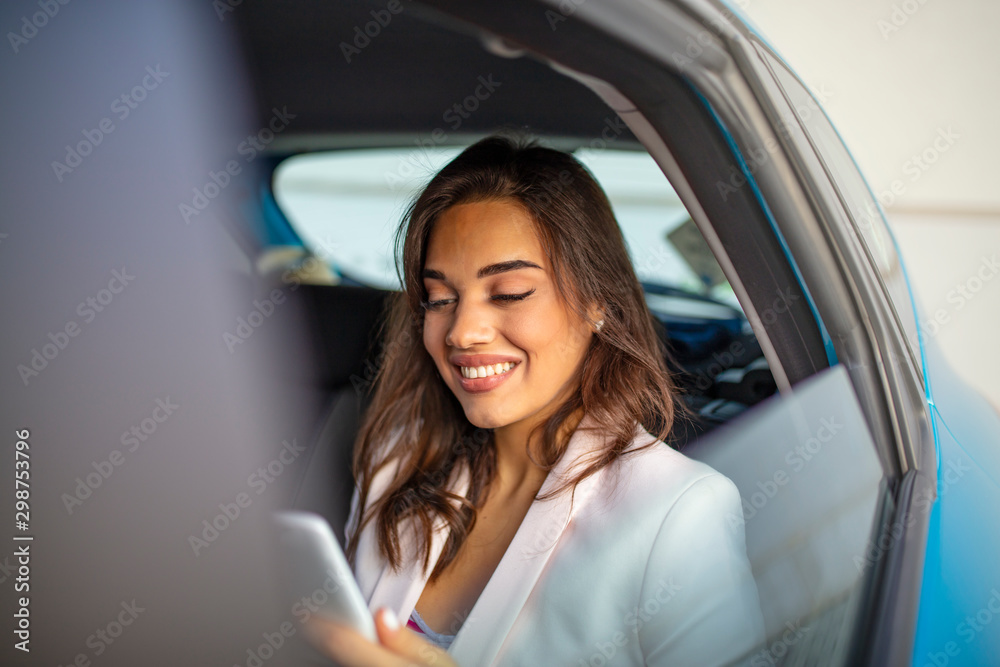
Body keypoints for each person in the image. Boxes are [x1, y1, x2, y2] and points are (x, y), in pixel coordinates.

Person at [306, 134, 765, 666]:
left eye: (508, 294)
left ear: (598, 303)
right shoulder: (395, 460)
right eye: (440, 299)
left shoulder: (678, 513)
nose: (462, 332)